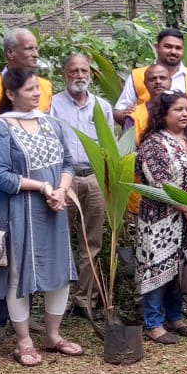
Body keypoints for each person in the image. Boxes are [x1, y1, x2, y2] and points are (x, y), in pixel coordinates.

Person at [0, 69, 82, 366]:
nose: (37, 94)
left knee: (60, 270)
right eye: (29, 89)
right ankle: (24, 341)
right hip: (18, 210)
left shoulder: (52, 124)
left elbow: (69, 162)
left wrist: (61, 191)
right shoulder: (1, 128)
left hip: (54, 208)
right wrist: (42, 187)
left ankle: (53, 336)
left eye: (38, 88)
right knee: (19, 274)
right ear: (12, 94)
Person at [0, 27, 53, 343]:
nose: (35, 53)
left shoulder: (44, 86)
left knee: (30, 249)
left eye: (36, 48)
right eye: (28, 48)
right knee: (1, 250)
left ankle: (26, 318)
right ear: (11, 53)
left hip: (37, 184)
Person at [136, 91, 187, 344]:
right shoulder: (153, 144)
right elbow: (158, 184)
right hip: (161, 220)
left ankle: (176, 316)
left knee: (181, 268)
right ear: (163, 114)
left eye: (186, 109)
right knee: (158, 269)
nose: (184, 114)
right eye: (177, 110)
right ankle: (153, 323)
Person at [48, 53, 114, 320]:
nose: (79, 75)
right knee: (59, 239)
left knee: (92, 242)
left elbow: (109, 147)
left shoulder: (102, 107)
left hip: (94, 177)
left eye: (84, 70)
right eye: (73, 71)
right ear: (64, 75)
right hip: (65, 178)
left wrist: (108, 182)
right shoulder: (52, 106)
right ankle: (58, 303)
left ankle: (85, 300)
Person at [114, 27, 187, 126]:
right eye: (168, 46)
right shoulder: (138, 75)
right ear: (157, 47)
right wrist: (127, 116)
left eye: (178, 48)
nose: (173, 52)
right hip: (146, 137)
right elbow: (118, 112)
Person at [125, 63, 173, 141]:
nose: (158, 82)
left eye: (162, 78)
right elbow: (127, 148)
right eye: (152, 79)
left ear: (171, 81)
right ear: (145, 84)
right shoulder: (135, 115)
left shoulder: (183, 111)